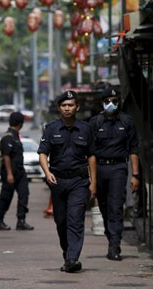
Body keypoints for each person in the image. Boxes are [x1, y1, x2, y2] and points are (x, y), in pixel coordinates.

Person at [38, 90, 97, 273]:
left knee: (75, 219)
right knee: (61, 221)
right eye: (64, 105)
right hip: (58, 181)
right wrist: (47, 172)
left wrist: (93, 182)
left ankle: (73, 258)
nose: (67, 108)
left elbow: (92, 156)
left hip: (79, 181)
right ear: (59, 108)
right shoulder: (51, 129)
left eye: (70, 105)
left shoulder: (86, 129)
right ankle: (68, 254)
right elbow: (42, 153)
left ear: (76, 107)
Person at [90, 87, 140, 261]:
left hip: (119, 169)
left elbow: (134, 149)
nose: (111, 104)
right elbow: (91, 154)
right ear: (102, 103)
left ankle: (115, 246)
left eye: (114, 100)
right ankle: (111, 238)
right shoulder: (96, 123)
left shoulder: (127, 121)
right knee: (104, 208)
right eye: (107, 101)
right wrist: (92, 180)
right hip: (100, 169)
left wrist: (135, 175)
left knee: (116, 207)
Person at [0, 111, 34, 231]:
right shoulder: (8, 137)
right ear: (20, 124)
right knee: (6, 197)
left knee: (24, 194)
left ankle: (21, 221)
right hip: (9, 172)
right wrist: (10, 174)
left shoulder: (16, 136)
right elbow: (6, 156)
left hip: (20, 172)